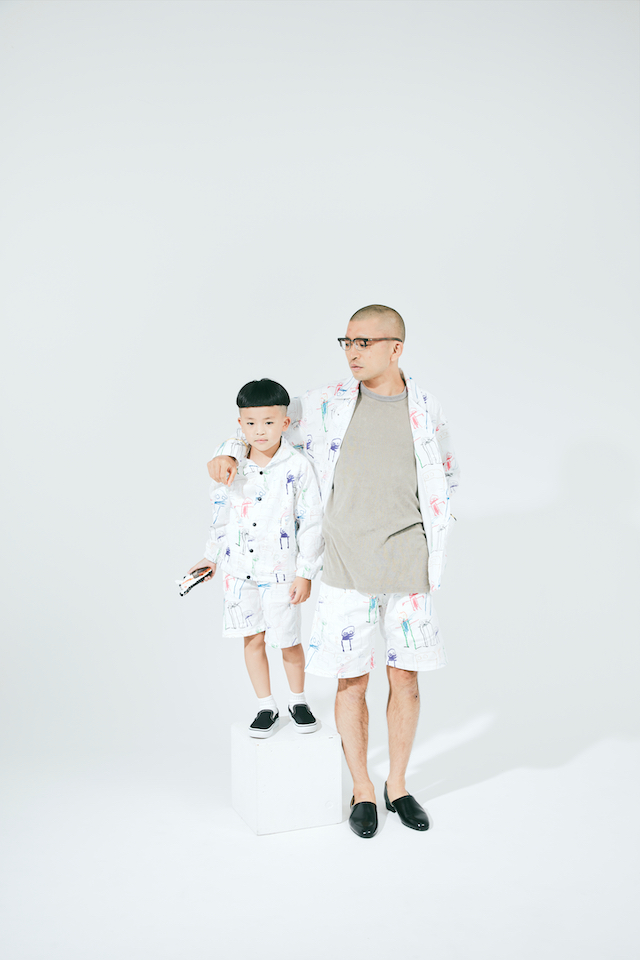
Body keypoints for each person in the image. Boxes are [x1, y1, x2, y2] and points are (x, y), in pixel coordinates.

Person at [208, 306, 459, 837]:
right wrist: (228, 452)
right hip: (345, 563)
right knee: (352, 681)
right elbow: (263, 422)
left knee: (406, 680)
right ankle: (362, 789)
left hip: (408, 562)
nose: (352, 352)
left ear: (396, 348)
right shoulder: (325, 403)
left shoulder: (426, 407)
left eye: (365, 342)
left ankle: (397, 785)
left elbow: (447, 474)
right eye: (347, 341)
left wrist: (432, 532)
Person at [189, 378, 324, 739]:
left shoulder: (297, 466)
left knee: (288, 639)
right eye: (250, 423)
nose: (259, 431)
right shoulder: (232, 465)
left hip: (281, 571)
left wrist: (305, 572)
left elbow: (311, 521)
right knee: (251, 639)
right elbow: (220, 514)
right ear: (240, 423)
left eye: (268, 422)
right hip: (239, 571)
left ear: (285, 422)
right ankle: (266, 705)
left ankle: (298, 701)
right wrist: (210, 557)